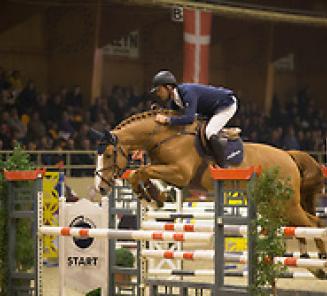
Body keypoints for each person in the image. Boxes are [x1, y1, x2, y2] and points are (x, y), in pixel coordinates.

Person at [150, 70, 238, 167]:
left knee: (209, 132)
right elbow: (175, 116)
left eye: (159, 90)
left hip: (226, 105)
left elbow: (189, 119)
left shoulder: (187, 92)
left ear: (169, 87)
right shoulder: (174, 101)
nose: (158, 93)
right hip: (210, 109)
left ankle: (224, 166)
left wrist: (167, 120)